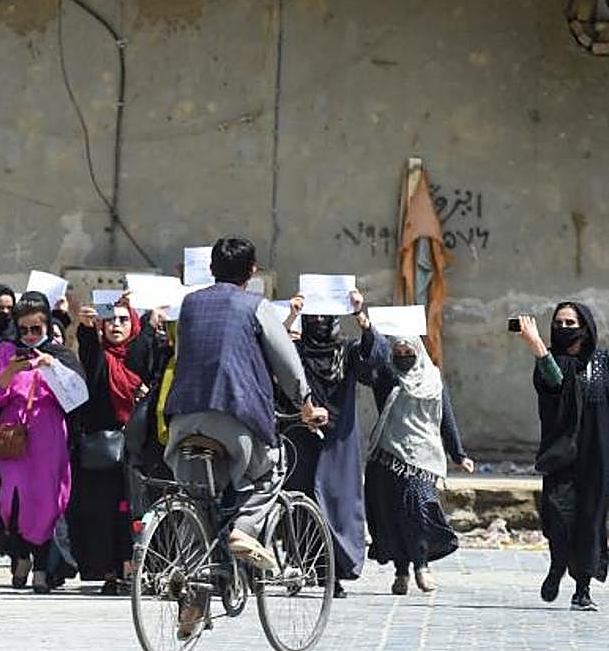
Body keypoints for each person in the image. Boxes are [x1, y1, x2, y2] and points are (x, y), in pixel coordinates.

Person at [164, 237, 326, 575]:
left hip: (183, 420)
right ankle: (244, 530)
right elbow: (287, 362)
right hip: (234, 417)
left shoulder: (189, 305)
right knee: (272, 468)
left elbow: (182, 357)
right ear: (252, 272)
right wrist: (307, 404)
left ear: (211, 269)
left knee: (198, 500)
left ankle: (195, 590)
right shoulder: (256, 306)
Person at [283, 288, 388, 597]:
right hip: (301, 434)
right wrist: (290, 315)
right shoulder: (297, 349)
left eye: (324, 316)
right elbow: (271, 351)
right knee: (302, 501)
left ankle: (335, 573)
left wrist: (360, 316)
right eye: (311, 315)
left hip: (339, 438)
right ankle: (303, 565)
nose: (317, 321)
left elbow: (376, 362)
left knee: (338, 504)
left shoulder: (347, 351)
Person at [0, 295, 85, 594]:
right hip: (13, 437)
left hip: (48, 436)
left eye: (36, 329)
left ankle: (42, 567)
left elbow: (77, 397)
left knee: (44, 502)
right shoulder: (7, 353)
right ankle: (20, 556)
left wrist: (52, 367)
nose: (29, 336)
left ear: (47, 327)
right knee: (11, 502)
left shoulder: (61, 355)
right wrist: (9, 372)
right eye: (24, 329)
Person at [365, 335, 475, 594]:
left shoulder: (433, 379)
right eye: (398, 351)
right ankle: (401, 571)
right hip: (388, 455)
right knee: (393, 516)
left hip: (423, 457)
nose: (403, 355)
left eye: (408, 351)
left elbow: (446, 416)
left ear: (419, 351)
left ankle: (422, 566)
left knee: (418, 512)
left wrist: (458, 454)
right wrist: (367, 327)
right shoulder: (387, 377)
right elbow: (370, 360)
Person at [518, 305, 609, 610]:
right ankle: (558, 565)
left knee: (591, 521)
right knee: (558, 516)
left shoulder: (602, 362)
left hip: (596, 456)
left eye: (571, 322)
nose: (564, 326)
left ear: (585, 327)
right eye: (558, 322)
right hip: (561, 454)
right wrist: (538, 348)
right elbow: (555, 382)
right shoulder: (551, 361)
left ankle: (582, 590)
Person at [71, 296, 157, 594]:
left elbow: (150, 354)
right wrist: (85, 329)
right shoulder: (101, 357)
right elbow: (89, 352)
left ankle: (133, 568)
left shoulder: (137, 354)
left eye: (123, 319)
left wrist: (151, 321)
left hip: (137, 449)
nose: (116, 325)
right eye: (111, 320)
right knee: (105, 512)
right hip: (105, 450)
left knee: (135, 510)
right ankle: (109, 570)